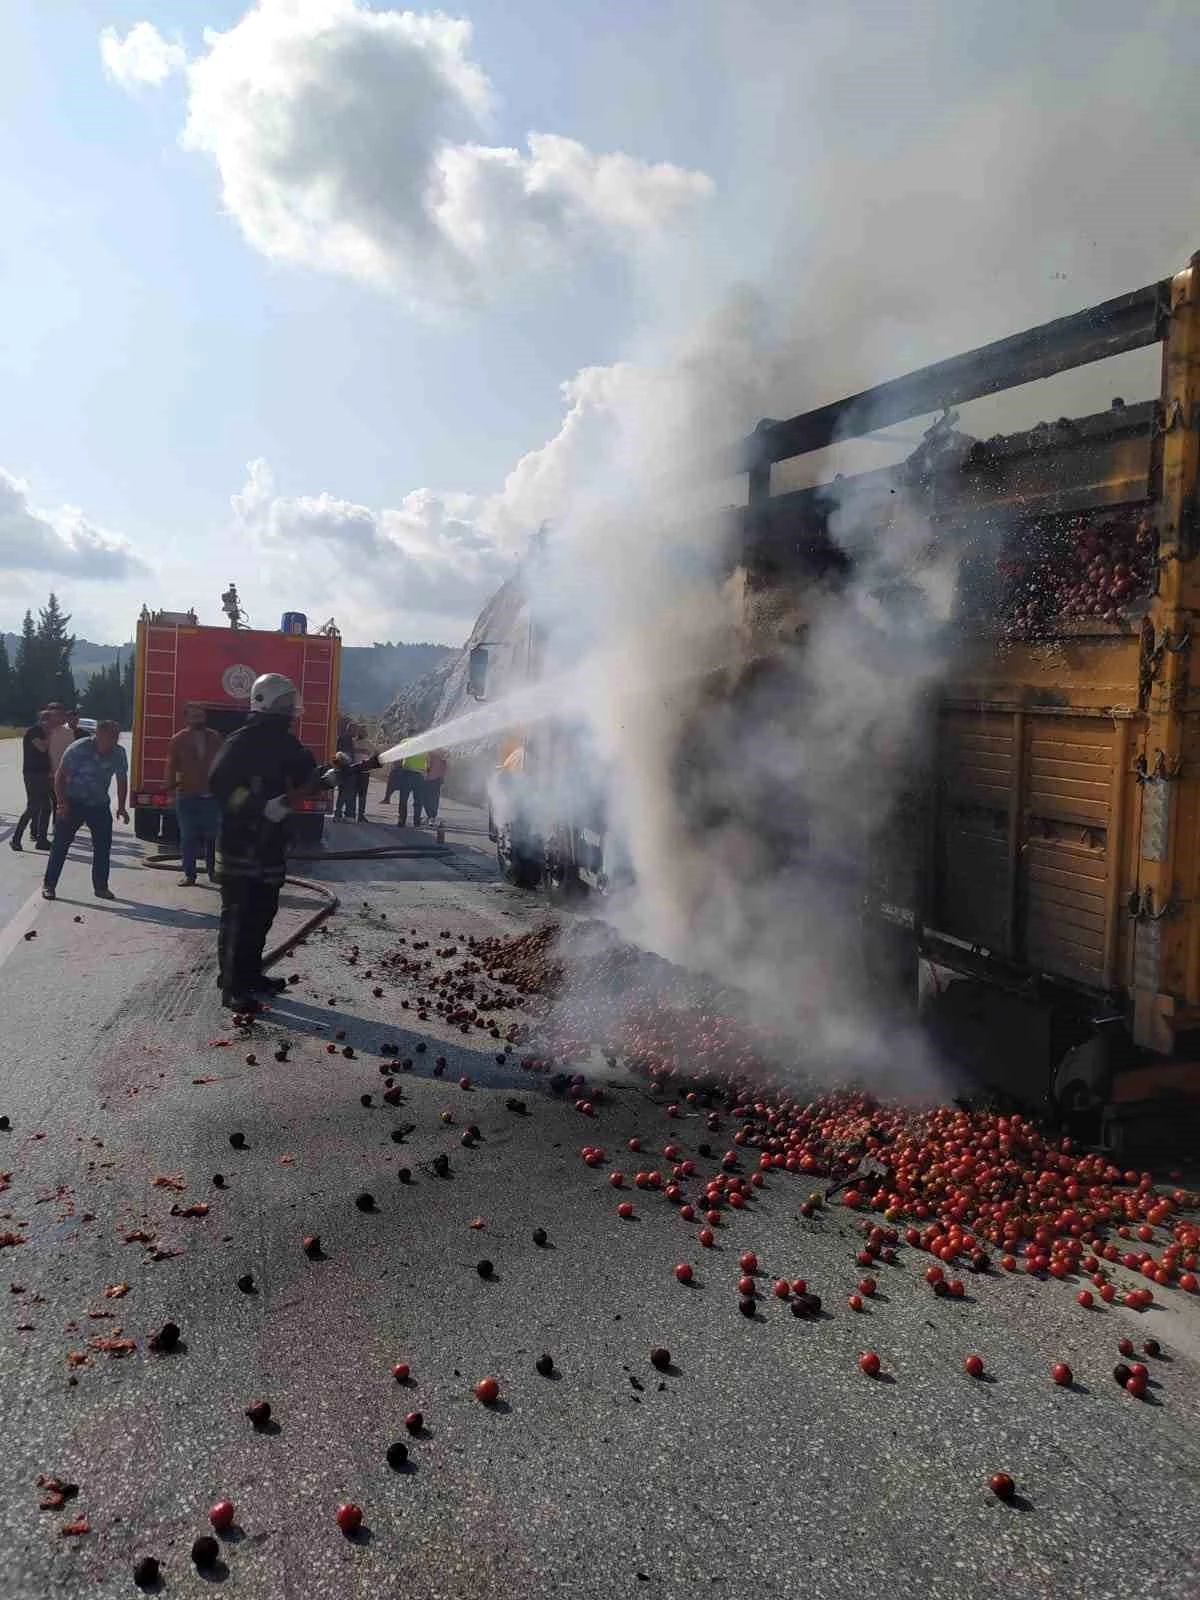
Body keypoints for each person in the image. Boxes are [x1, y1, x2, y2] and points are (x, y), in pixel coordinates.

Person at [209, 673, 376, 1010]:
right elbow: (219, 784)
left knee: (263, 913)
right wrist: (259, 806)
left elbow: (308, 779)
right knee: (238, 916)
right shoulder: (241, 741)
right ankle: (232, 986)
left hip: (271, 845)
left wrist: (336, 774)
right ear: (264, 702)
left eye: (291, 702)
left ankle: (251, 974)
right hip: (241, 844)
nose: (289, 709)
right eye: (283, 702)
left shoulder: (287, 743)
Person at [42, 719, 129, 901]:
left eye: (115, 737)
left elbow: (121, 779)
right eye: (108, 737)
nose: (112, 741)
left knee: (103, 847)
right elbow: (60, 776)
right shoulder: (79, 749)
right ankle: (49, 885)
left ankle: (101, 887)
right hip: (73, 803)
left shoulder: (118, 754)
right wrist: (61, 803)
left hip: (98, 805)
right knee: (60, 846)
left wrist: (121, 806)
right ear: (98, 735)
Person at [166, 704, 224, 886]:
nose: (198, 719)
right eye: (194, 716)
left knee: (212, 836)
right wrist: (170, 792)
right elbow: (171, 766)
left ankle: (213, 872)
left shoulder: (216, 738)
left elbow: (224, 763)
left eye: (201, 715)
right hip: (187, 796)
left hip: (211, 796)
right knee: (188, 836)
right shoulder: (178, 740)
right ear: (187, 719)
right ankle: (189, 875)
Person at [11, 709, 53, 852]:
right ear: (41, 719)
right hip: (33, 774)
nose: (49, 722)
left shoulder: (44, 732)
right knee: (33, 807)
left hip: (43, 774)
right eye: (46, 719)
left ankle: (41, 840)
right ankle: (15, 839)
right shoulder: (34, 731)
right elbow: (41, 748)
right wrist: (50, 736)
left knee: (46, 806)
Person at [333, 720, 356, 821]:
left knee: (343, 792)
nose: (355, 732)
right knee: (345, 792)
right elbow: (346, 755)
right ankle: (340, 814)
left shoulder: (343, 738)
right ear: (349, 729)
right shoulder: (347, 739)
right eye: (354, 729)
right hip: (346, 770)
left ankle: (340, 814)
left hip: (342, 769)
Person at [352, 724, 374, 821]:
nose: (364, 733)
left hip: (362, 772)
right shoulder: (354, 742)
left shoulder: (367, 744)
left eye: (364, 731)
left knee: (359, 794)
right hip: (358, 771)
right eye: (362, 731)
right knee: (357, 794)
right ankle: (355, 814)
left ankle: (358, 814)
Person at [423, 750, 448, 820]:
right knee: (428, 797)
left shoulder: (440, 753)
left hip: (434, 778)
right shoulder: (427, 752)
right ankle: (431, 814)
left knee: (432, 797)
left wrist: (442, 776)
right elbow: (444, 766)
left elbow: (444, 766)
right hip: (428, 778)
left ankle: (432, 815)